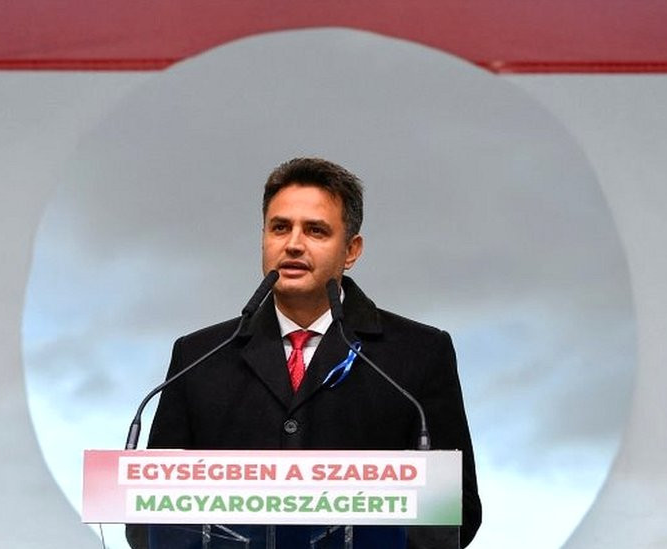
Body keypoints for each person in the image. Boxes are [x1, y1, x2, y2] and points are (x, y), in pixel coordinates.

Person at [127, 157, 481, 548]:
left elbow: (459, 511)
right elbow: (148, 513)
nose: (293, 244)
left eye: (315, 231)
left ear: (351, 250)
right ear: (263, 238)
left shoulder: (418, 354)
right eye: (280, 228)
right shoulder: (199, 356)